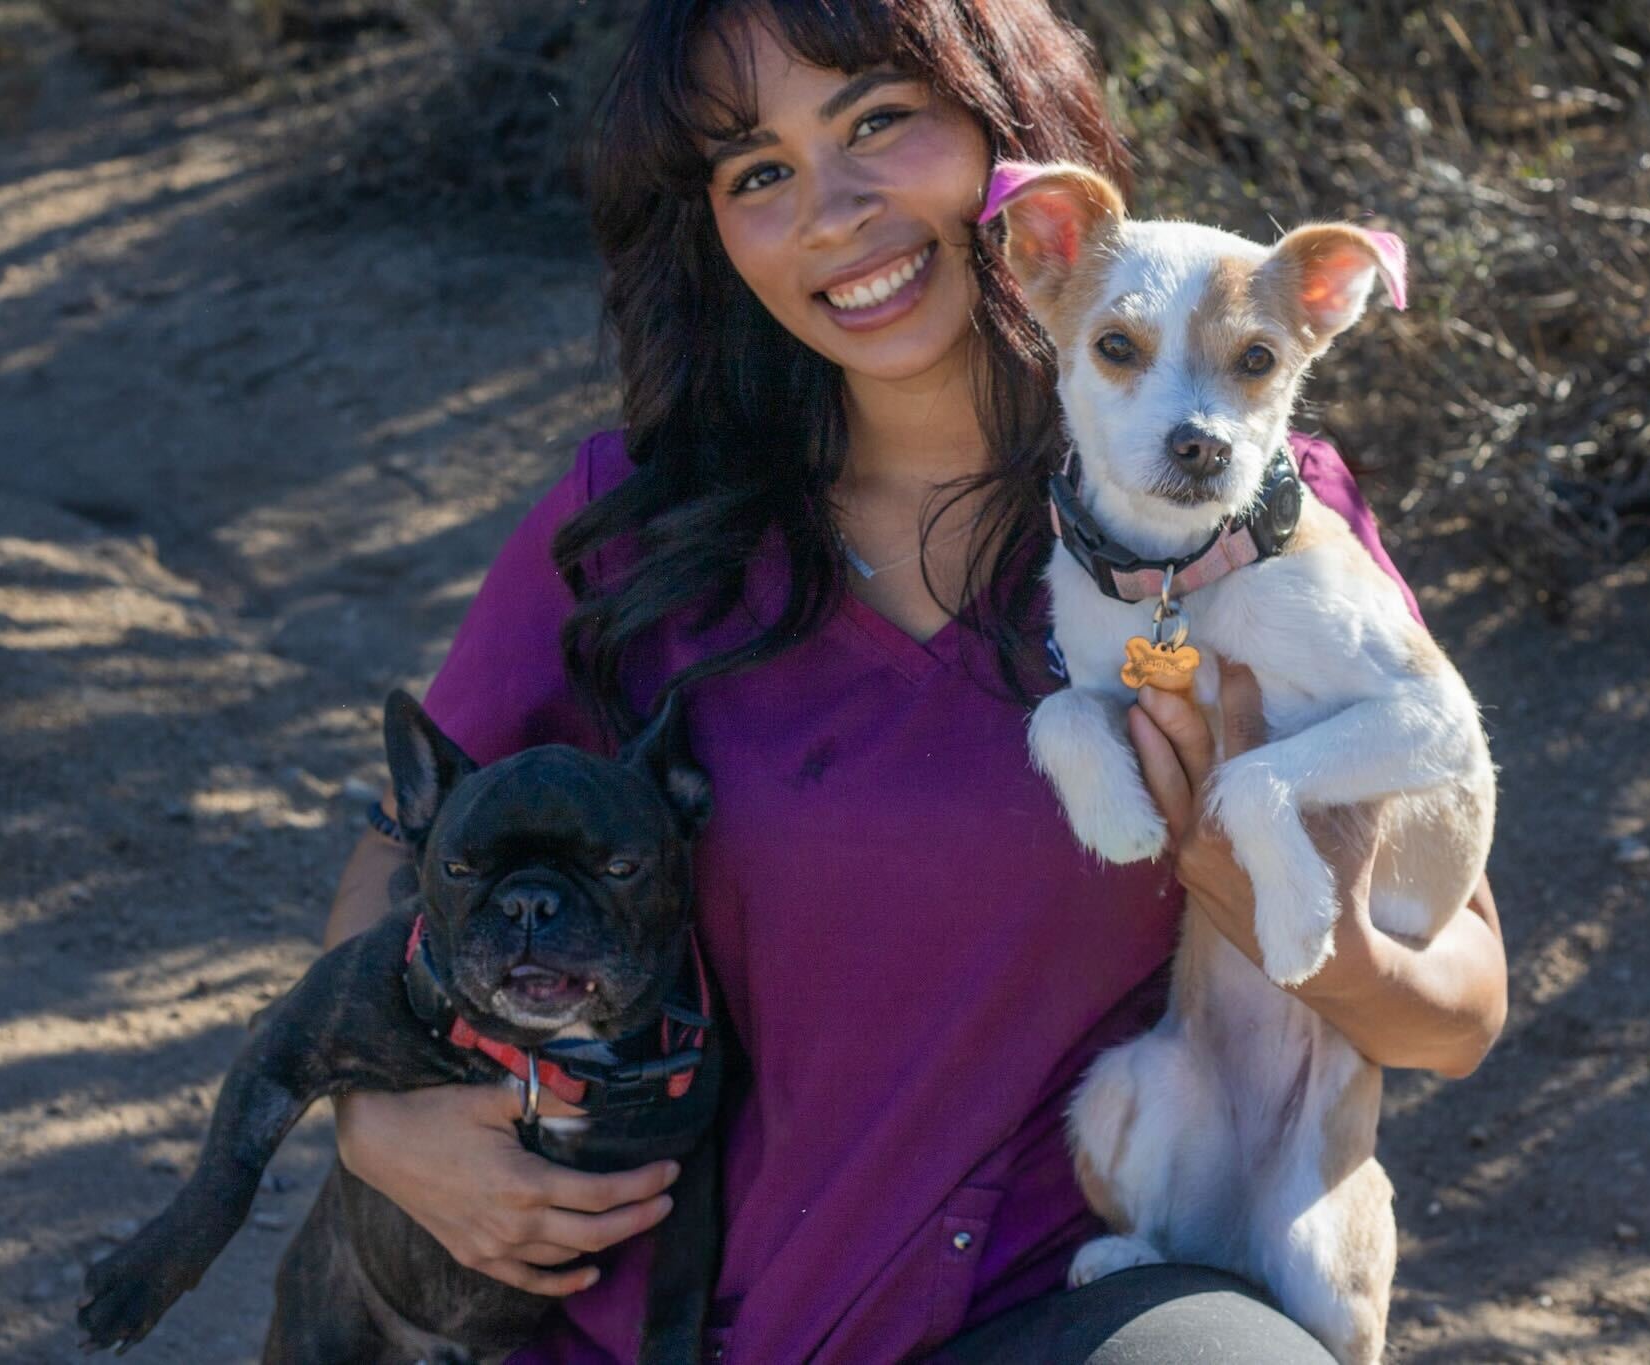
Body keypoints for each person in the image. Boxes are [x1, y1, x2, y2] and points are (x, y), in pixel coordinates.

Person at [319, 3, 1509, 1362]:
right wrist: (380, 1109)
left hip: (1055, 1308)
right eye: (757, 172)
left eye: (880, 121)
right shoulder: (642, 527)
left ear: (1012, 155)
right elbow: (409, 837)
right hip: (670, 1324)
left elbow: (1464, 1005)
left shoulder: (1249, 525)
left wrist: (1269, 888)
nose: (835, 211)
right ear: (713, 230)